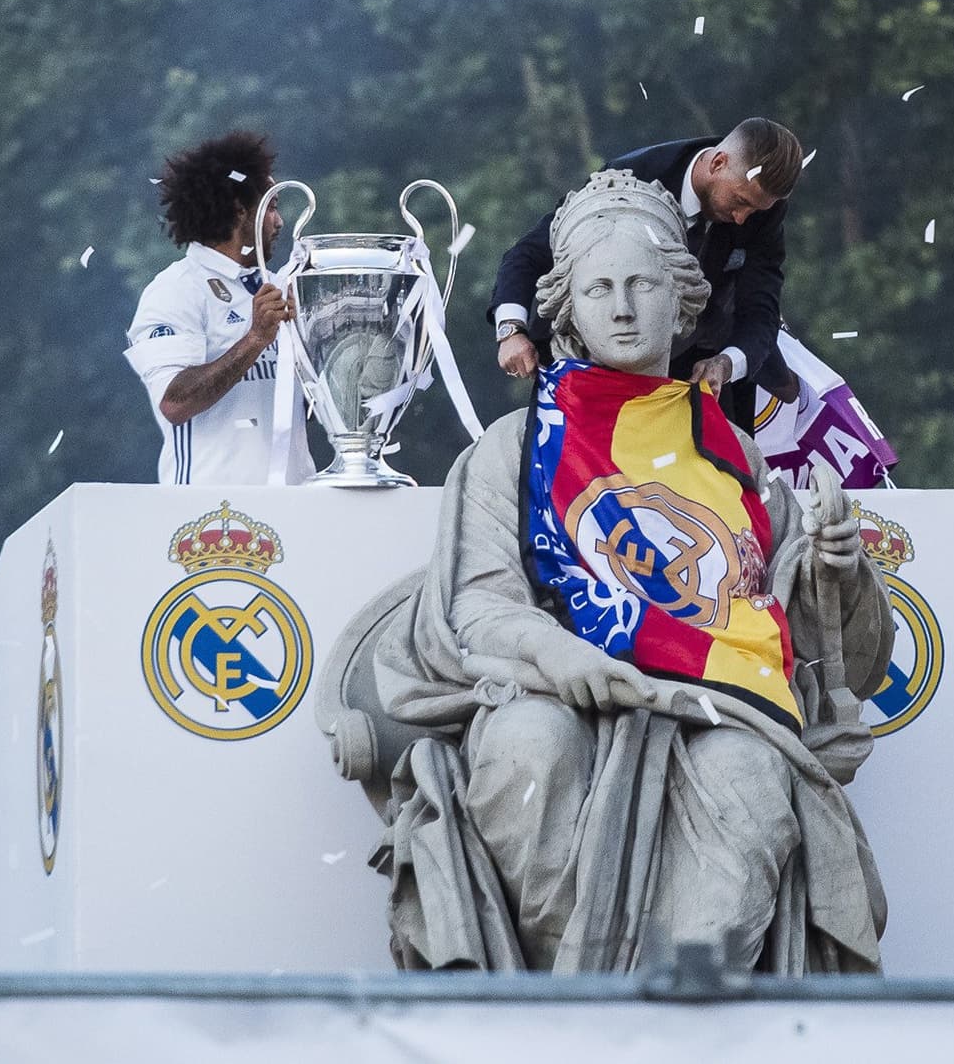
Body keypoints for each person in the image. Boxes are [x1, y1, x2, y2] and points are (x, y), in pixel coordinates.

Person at [328, 170, 892, 972]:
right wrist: (564, 656)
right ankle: (574, 1010)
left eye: (641, 284)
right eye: (598, 288)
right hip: (555, 689)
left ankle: (673, 1012)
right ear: (567, 309)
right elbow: (478, 608)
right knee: (530, 748)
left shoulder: (740, 459)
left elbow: (815, 642)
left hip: (723, 703)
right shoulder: (512, 450)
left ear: (683, 298)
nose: (621, 307)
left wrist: (837, 571)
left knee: (749, 777)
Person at [490, 118, 803, 430]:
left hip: (702, 371)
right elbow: (527, 255)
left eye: (755, 211)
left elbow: (761, 307)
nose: (741, 219)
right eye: (740, 202)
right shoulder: (625, 179)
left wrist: (727, 363)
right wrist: (511, 330)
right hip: (590, 367)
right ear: (718, 162)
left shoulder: (763, 209)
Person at [124, 130, 315, 485]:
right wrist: (255, 338)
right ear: (240, 210)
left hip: (297, 505)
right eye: (271, 207)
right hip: (211, 515)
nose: (280, 222)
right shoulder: (176, 290)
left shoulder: (283, 286)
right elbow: (175, 403)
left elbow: (305, 408)